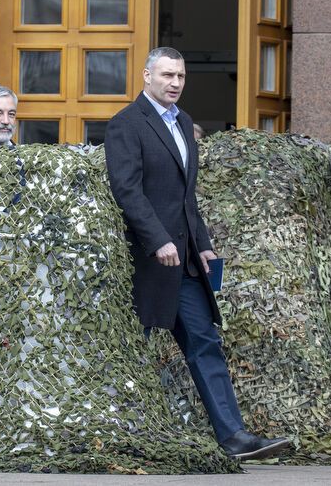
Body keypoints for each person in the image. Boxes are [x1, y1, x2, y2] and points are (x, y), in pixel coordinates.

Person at [104, 47, 290, 461]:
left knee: (204, 343)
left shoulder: (185, 123)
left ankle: (234, 438)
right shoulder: (125, 125)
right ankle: (114, 437)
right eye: (167, 75)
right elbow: (127, 191)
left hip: (185, 263)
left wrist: (203, 247)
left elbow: (186, 199)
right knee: (135, 352)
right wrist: (157, 239)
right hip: (145, 265)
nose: (174, 83)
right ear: (146, 76)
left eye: (181, 77)